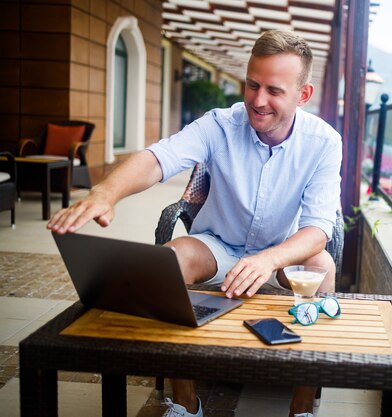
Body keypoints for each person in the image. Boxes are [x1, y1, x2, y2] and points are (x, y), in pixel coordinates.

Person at [47, 29, 342, 417]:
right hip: (219, 244)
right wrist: (106, 192)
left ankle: (303, 404)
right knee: (170, 261)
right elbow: (158, 158)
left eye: (274, 90)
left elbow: (319, 229)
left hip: (283, 249)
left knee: (322, 267)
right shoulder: (219, 124)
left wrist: (269, 260)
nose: (257, 100)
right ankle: (186, 402)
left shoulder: (324, 142)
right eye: (252, 85)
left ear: (303, 95)